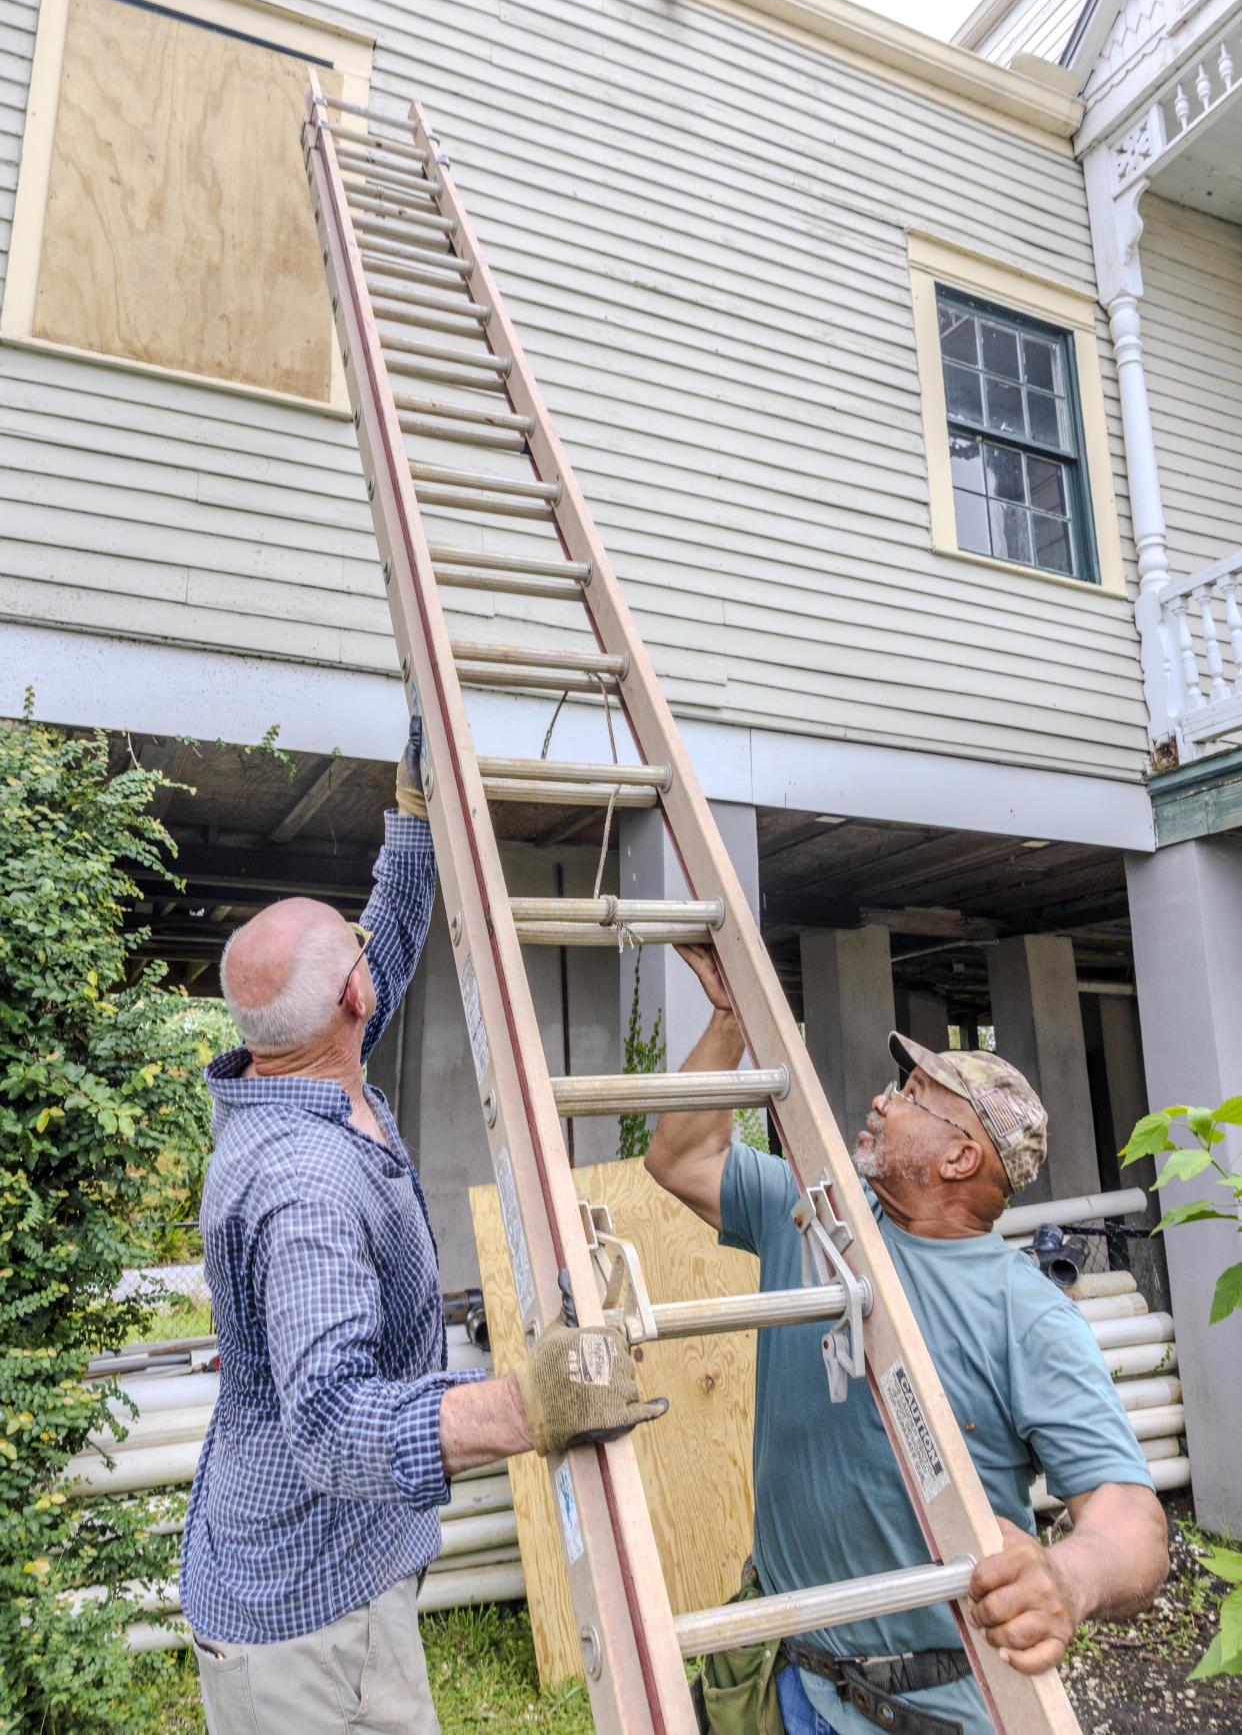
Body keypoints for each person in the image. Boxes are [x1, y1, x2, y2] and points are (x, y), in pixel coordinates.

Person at [181, 720, 663, 1734]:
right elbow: (328, 1421)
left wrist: (409, 816)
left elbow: (383, 939)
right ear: (350, 1000)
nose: (370, 960)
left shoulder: (312, 1069)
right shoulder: (306, 1183)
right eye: (356, 957)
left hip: (335, 1585)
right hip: (307, 1632)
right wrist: (527, 1406)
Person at [646, 946, 1169, 1735]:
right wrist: (728, 1020)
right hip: (789, 1678)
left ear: (961, 1157)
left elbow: (1131, 1519)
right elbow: (680, 1156)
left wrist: (1067, 1576)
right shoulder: (817, 1216)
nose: (884, 1100)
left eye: (914, 1094)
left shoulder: (1021, 1314)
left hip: (923, 1711)